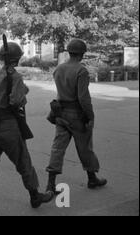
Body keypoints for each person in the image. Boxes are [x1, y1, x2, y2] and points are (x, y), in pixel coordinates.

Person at [0, 41, 54, 215]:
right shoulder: (15, 77)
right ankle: (34, 195)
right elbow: (16, 101)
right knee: (24, 161)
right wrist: (23, 94)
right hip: (9, 125)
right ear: (17, 58)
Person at [45, 39, 107, 194]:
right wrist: (90, 116)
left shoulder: (59, 69)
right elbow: (83, 98)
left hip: (60, 113)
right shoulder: (81, 71)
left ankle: (50, 185)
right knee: (85, 147)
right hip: (76, 115)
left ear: (69, 52)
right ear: (82, 53)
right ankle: (92, 178)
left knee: (57, 148)